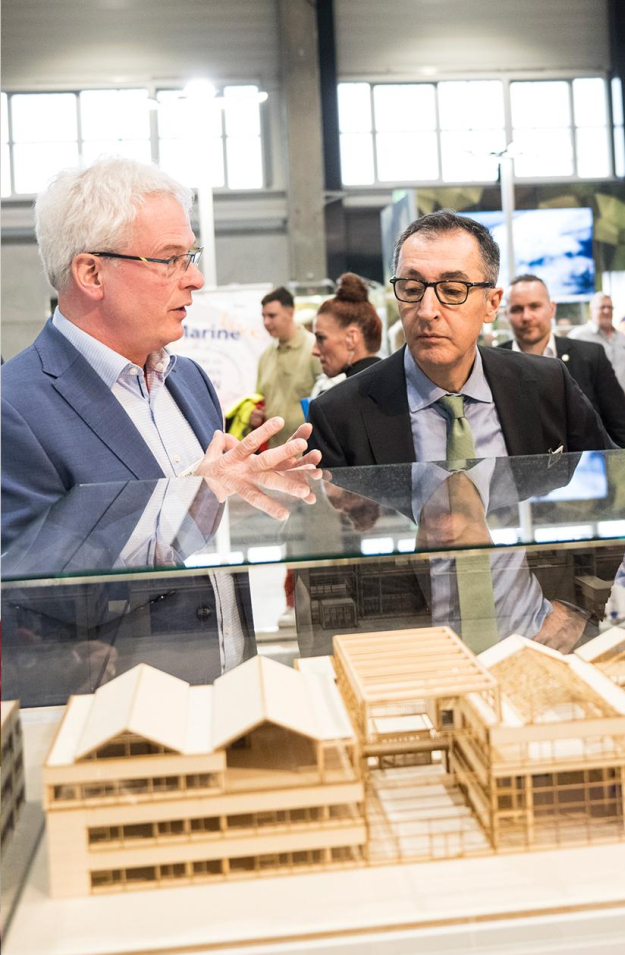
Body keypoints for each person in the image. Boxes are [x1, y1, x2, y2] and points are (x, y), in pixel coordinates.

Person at [1, 157, 319, 687]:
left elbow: (205, 535)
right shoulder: (15, 405)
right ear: (91, 272)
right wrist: (188, 501)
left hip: (233, 688)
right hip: (119, 710)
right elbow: (25, 596)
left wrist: (244, 501)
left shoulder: (189, 380)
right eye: (171, 259)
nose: (194, 279)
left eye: (189, 256)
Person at [306, 210, 610, 467]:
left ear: (492, 304)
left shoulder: (548, 384)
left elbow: (616, 485)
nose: (427, 311)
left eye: (452, 291)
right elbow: (333, 531)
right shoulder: (339, 415)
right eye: (412, 289)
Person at [498, 274, 625, 448]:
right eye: (517, 309)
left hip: (586, 470)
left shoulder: (591, 356)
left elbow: (619, 424)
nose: (526, 316)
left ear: (552, 309)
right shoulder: (493, 362)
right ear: (506, 314)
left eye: (535, 306)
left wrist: (622, 469)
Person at [250, 286, 322, 447]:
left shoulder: (315, 350)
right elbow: (260, 400)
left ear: (290, 312)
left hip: (306, 452)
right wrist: (255, 416)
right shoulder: (265, 356)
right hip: (273, 453)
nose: (266, 322)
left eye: (272, 316)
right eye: (263, 316)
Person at [312, 273, 383, 386]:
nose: (314, 350)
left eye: (321, 338)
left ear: (351, 338)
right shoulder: (397, 385)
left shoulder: (339, 399)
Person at [568, 292, 625, 397]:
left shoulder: (622, 338)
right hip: (591, 405)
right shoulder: (577, 336)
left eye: (610, 307)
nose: (607, 311)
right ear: (591, 311)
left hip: (620, 404)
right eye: (602, 307)